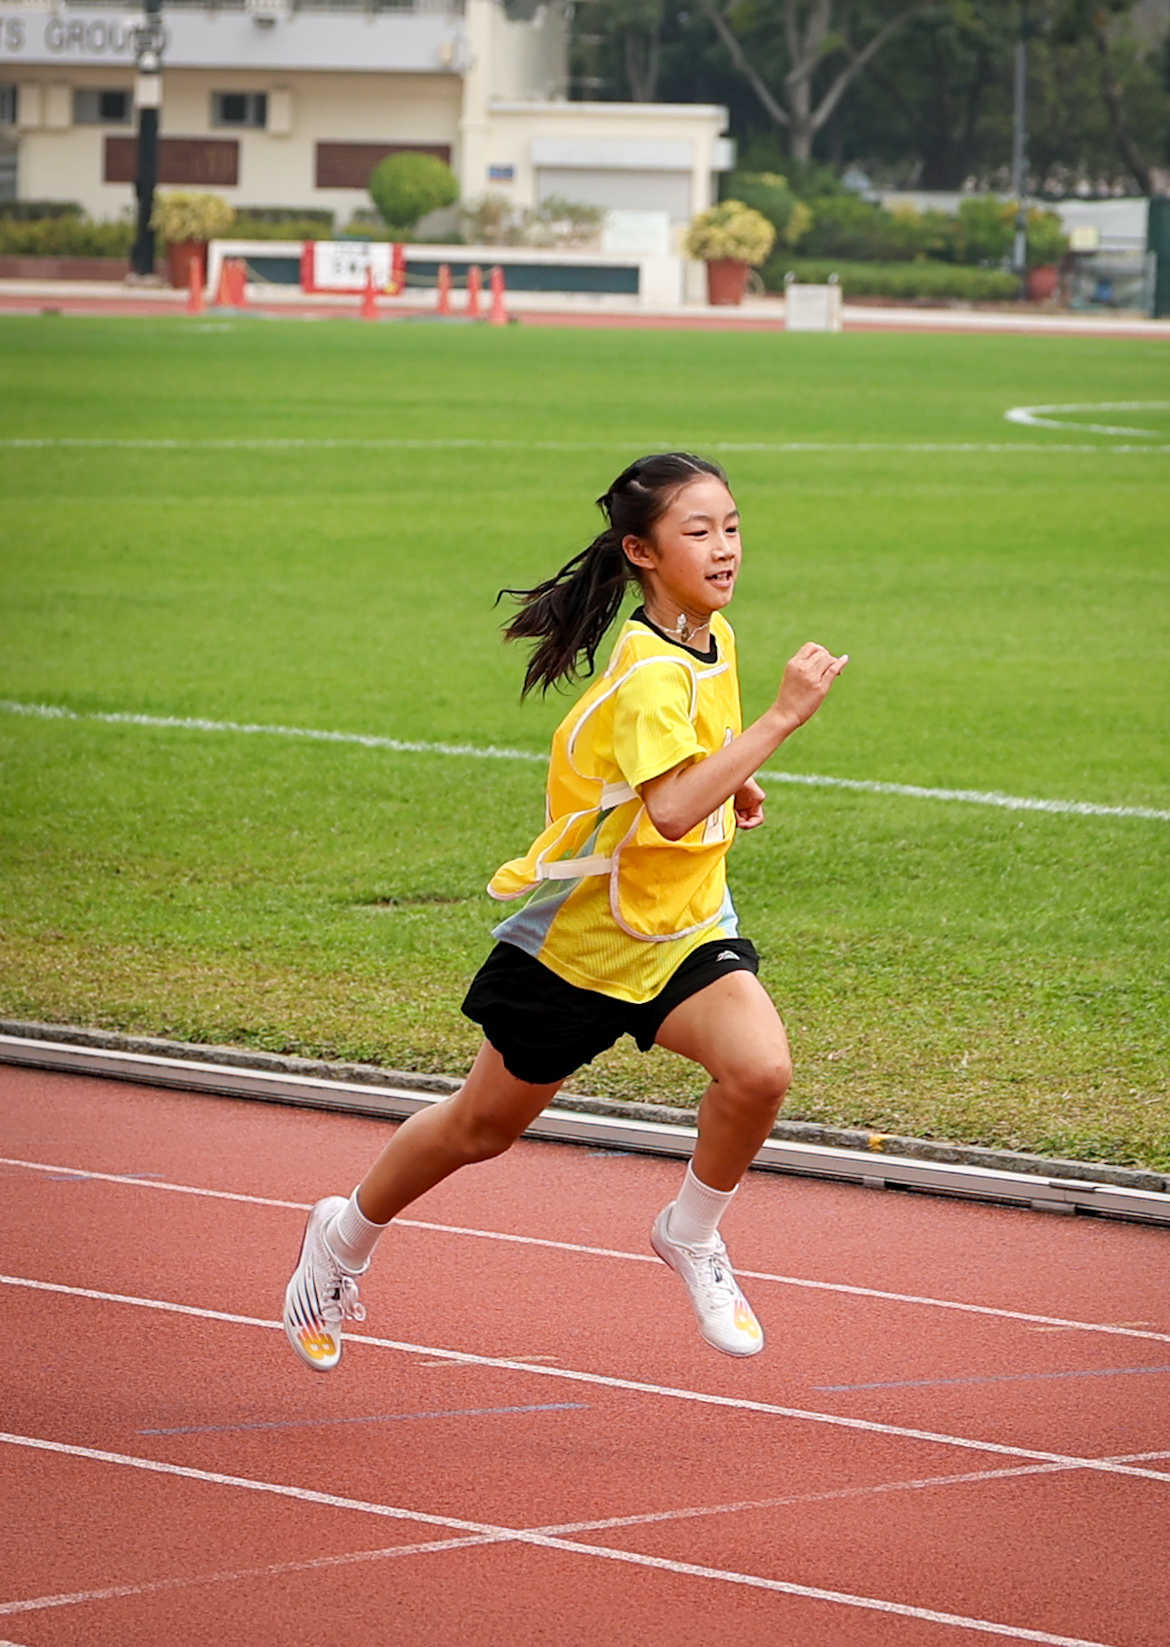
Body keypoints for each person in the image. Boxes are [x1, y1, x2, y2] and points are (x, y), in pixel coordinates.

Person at [283, 451, 847, 1369]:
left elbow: (683, 770)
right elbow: (671, 809)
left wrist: (735, 781)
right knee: (481, 1128)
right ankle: (340, 1238)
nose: (725, 548)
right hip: (584, 942)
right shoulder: (647, 669)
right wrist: (779, 722)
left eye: (733, 527)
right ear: (641, 552)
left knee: (760, 1072)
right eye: (699, 532)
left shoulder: (713, 635)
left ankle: (691, 1231)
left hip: (683, 926)